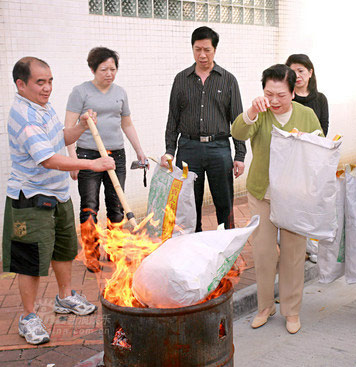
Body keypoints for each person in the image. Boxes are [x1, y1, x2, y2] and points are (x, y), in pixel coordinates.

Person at [3, 57, 115, 345]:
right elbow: (48, 158)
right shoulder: (22, 114)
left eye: (50, 81)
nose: (47, 88)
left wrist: (80, 126)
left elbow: (59, 138)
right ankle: (28, 317)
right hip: (31, 198)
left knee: (63, 249)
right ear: (21, 84)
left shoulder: (44, 107)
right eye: (40, 82)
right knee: (30, 260)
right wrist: (92, 165)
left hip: (58, 194)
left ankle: (64, 297)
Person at [231, 64, 322, 334]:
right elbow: (238, 132)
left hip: (295, 196)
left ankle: (291, 311)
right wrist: (251, 112)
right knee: (264, 253)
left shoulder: (307, 115)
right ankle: (264, 306)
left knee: (294, 254)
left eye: (281, 95)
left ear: (294, 92)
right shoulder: (260, 113)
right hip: (263, 193)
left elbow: (320, 150)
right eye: (269, 94)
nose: (274, 101)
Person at [65, 47, 147, 273]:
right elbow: (68, 128)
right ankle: (91, 255)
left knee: (117, 206)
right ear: (93, 69)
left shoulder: (120, 92)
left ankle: (115, 250)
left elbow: (126, 123)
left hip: (115, 155)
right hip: (88, 155)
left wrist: (138, 150)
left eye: (113, 69)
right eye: (104, 69)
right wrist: (72, 159)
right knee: (89, 206)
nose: (109, 73)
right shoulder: (80, 92)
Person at [161, 26, 246, 232]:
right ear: (192, 49)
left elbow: (237, 120)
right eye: (197, 49)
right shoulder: (181, 79)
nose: (202, 55)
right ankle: (193, 250)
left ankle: (227, 249)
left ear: (214, 50)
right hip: (188, 148)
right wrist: (170, 151)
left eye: (207, 49)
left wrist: (240, 155)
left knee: (224, 203)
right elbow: (173, 117)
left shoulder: (228, 80)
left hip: (219, 148)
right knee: (189, 204)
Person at [285, 54, 329, 135]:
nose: (297, 76)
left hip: (314, 145)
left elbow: (323, 130)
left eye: (300, 71)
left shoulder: (321, 99)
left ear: (310, 72)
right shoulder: (286, 98)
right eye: (293, 72)